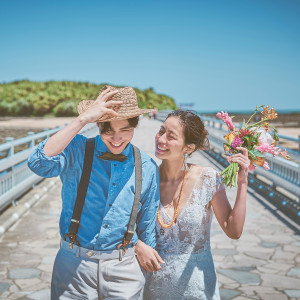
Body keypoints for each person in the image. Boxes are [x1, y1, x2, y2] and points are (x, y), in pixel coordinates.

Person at [28, 85, 160, 300]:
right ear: (97, 125)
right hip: (73, 264)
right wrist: (82, 120)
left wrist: (143, 260)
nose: (116, 139)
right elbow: (38, 163)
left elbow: (147, 222)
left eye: (125, 130)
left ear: (135, 126)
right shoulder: (76, 149)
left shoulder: (147, 165)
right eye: (108, 130)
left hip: (125, 267)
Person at [135, 110, 250, 299]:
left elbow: (233, 231)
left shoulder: (208, 179)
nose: (161, 139)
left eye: (170, 136)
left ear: (189, 147)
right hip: (155, 287)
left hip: (198, 288)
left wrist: (243, 182)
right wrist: (137, 245)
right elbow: (123, 226)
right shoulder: (146, 180)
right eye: (161, 131)